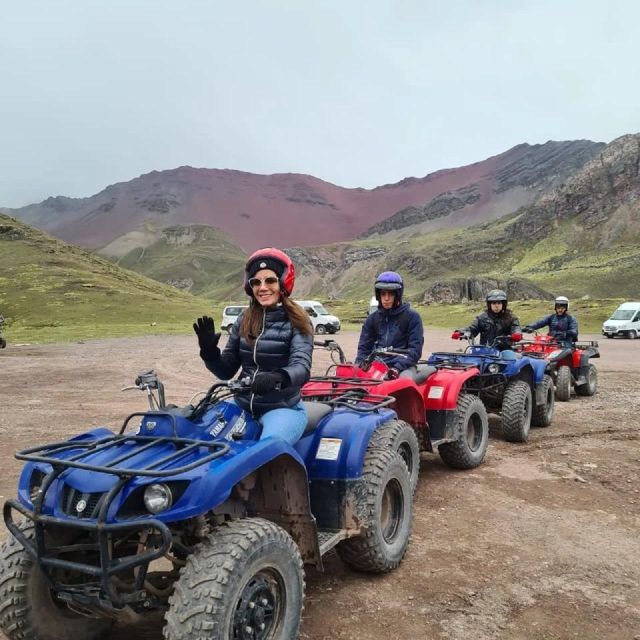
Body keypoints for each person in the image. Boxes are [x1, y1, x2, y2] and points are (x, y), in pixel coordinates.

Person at [193, 248, 314, 444]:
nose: (262, 287)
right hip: (241, 404)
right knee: (202, 437)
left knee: (266, 451)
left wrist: (278, 377)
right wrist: (209, 353)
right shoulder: (244, 319)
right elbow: (226, 371)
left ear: (283, 283)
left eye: (270, 280)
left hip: (283, 408)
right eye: (256, 282)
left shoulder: (298, 320)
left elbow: (302, 366)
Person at [355, 271, 424, 379]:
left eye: (390, 294)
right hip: (377, 365)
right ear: (378, 295)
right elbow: (364, 348)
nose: (386, 298)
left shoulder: (412, 317)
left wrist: (397, 367)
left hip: (403, 367)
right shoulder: (372, 319)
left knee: (404, 383)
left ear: (398, 295)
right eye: (383, 294)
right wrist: (359, 364)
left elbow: (415, 350)